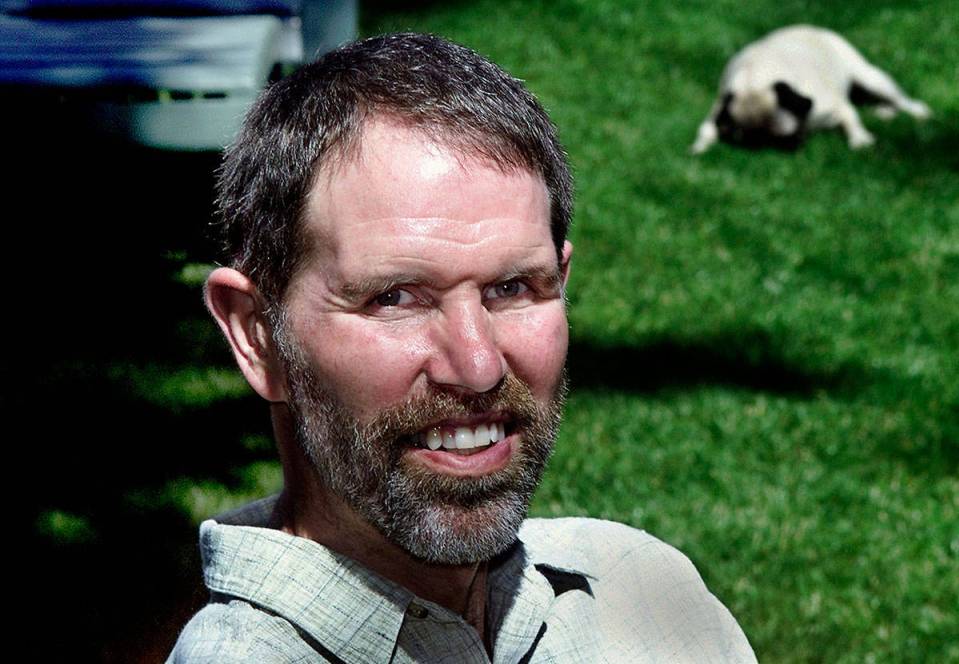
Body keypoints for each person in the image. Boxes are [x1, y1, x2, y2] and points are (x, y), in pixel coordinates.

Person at [168, 32, 757, 663]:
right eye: (394, 297)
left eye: (512, 287)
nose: (478, 367)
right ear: (257, 337)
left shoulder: (644, 590)